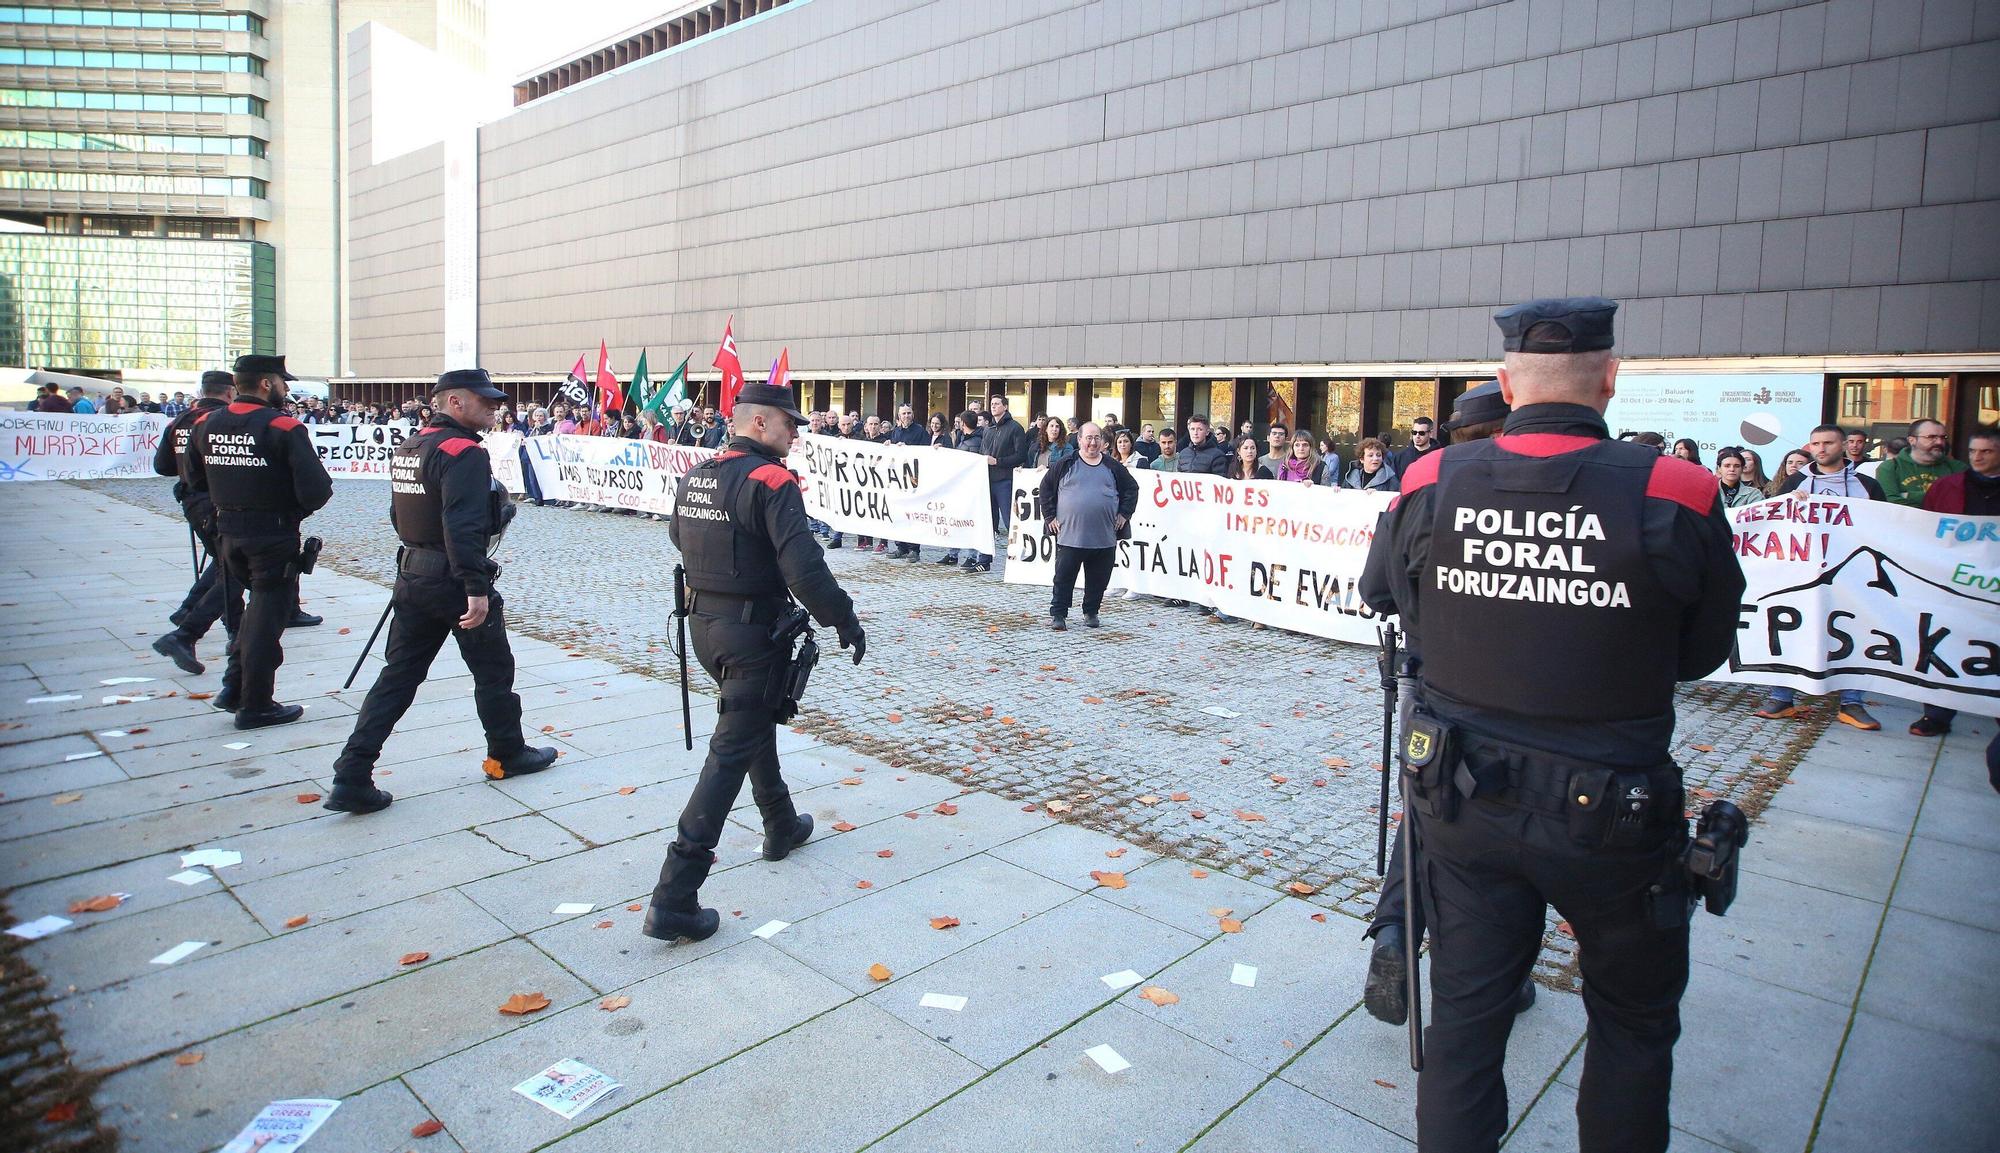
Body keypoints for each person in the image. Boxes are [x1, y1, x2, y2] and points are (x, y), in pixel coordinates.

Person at [1360, 297, 1745, 1153]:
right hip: (1614, 808)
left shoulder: (1429, 482)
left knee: (1464, 1025)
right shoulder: (1676, 491)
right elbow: (1703, 649)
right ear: (1610, 379)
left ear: (1506, 381)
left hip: (1464, 801)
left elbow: (1396, 599)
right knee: (1633, 1027)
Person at [645, 382, 867, 942]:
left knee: (750, 723)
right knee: (729, 753)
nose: (796, 434)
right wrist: (843, 620)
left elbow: (679, 536)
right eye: (790, 424)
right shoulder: (772, 481)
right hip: (751, 631)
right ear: (760, 424)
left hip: (703, 626)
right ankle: (675, 894)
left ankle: (780, 824)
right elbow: (805, 569)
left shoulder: (698, 475)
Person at [1361, 380, 1531, 1026]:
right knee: (1505, 835)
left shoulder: (1421, 487)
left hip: (1430, 694)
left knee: (1431, 815)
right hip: (1516, 701)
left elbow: (1373, 588)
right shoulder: (1536, 490)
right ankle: (1500, 971)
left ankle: (1394, 931)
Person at [322, 370, 558, 813]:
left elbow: (399, 514)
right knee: (494, 671)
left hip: (414, 574)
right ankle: (507, 753)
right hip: (452, 580)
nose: (494, 407)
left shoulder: (414, 444)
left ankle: (351, 772)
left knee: (398, 676)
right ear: (453, 402)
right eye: (484, 400)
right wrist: (475, 586)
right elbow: (462, 525)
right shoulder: (463, 452)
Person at [185, 355, 333, 728]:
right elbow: (316, 490)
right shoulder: (282, 426)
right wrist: (288, 511)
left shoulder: (206, 423)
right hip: (272, 535)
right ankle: (256, 704)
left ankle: (235, 687)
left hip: (228, 533)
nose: (286, 389)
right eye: (282, 382)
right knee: (268, 621)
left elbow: (193, 479)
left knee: (253, 618)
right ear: (266, 383)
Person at [1757, 424, 1888, 729]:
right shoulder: (1795, 482)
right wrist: (1792, 506)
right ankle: (1782, 696)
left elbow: (1885, 528)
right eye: (1815, 443)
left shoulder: (1867, 485)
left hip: (1853, 574)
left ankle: (1852, 702)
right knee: (1793, 630)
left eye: (1828, 443)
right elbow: (1777, 525)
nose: (1821, 449)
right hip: (1804, 572)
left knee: (1853, 633)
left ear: (1843, 445)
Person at [1910, 425, 1999, 750]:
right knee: (1946, 644)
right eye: (1973, 450)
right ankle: (1936, 714)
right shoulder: (1948, 486)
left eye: (1986, 452)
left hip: (1993, 585)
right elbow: (1926, 528)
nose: (1977, 457)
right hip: (1952, 580)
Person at [149, 370, 236, 676]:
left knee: (228, 564)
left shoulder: (181, 420)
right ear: (229, 392)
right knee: (233, 568)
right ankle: (188, 628)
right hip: (218, 502)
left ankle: (210, 622)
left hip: (192, 500)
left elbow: (162, 466)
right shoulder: (221, 421)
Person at [1038, 423, 1137, 630]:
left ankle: (1091, 612)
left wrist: (1124, 514)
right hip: (1070, 536)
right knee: (1064, 577)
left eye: (1097, 438)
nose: (1093, 442)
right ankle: (1059, 614)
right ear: (1080, 440)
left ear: (1102, 441)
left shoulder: (1112, 466)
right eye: (1088, 438)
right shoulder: (1066, 463)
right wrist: (1050, 517)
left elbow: (1131, 489)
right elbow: (1046, 488)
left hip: (1104, 537)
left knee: (1099, 579)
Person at [980, 393, 1031, 571]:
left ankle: (1020, 556)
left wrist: (998, 462)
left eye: (997, 404)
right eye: (992, 404)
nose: (993, 406)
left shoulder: (1015, 428)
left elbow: (1021, 455)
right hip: (988, 480)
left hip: (1005, 481)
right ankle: (984, 560)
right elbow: (982, 453)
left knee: (1010, 522)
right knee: (988, 522)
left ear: (1005, 407)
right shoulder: (988, 429)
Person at [1873, 419, 1965, 507]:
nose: (1939, 442)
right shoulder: (1890, 467)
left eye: (1943, 437)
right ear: (1912, 440)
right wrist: (1941, 499)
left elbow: (1963, 501)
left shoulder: (1957, 468)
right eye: (1931, 437)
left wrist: (1909, 496)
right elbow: (1889, 503)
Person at [885, 404, 929, 560]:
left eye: (909, 413)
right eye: (903, 413)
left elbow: (926, 452)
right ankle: (901, 547)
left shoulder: (920, 432)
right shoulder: (895, 432)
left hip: (913, 480)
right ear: (899, 415)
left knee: (912, 515)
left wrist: (908, 449)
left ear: (913, 414)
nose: (906, 416)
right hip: (897, 480)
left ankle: (914, 549)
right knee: (898, 514)